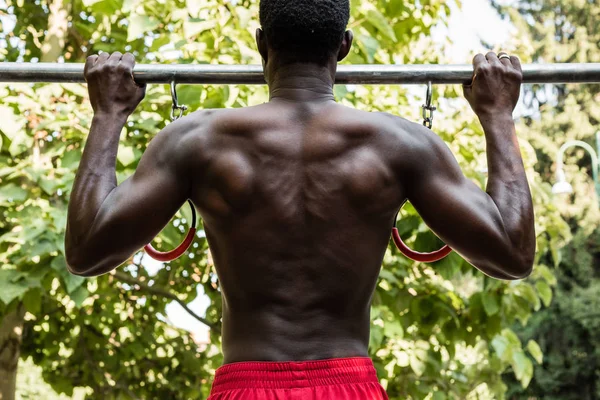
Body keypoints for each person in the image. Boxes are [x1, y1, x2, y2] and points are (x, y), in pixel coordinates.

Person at [65, 0, 536, 398]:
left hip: (245, 386)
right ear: (345, 46)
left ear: (260, 44)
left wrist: (109, 114)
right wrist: (497, 116)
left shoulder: (198, 141)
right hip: (349, 386)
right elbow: (512, 254)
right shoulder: (399, 145)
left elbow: (86, 251)